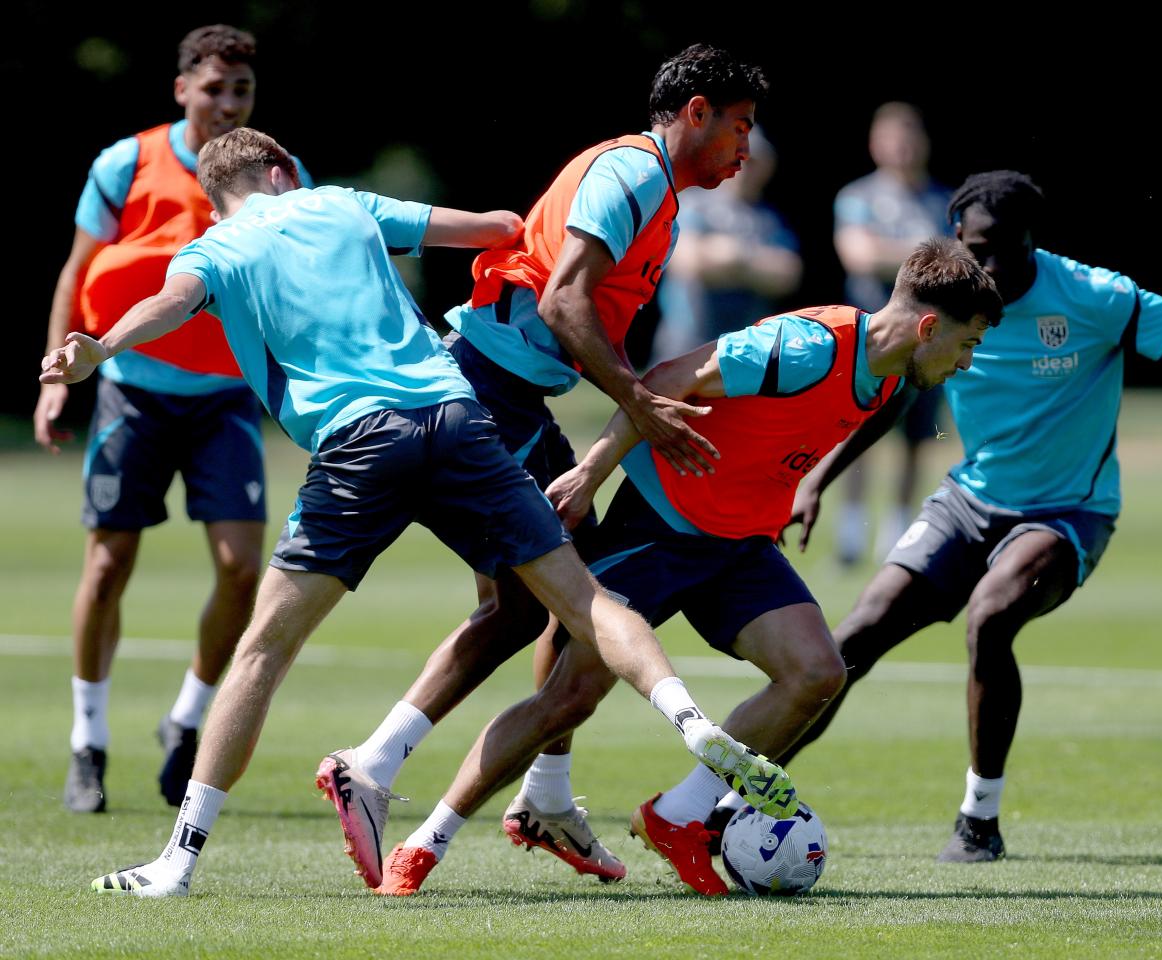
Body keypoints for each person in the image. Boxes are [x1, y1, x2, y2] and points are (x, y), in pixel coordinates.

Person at [42, 128, 792, 898]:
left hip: (357, 444)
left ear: (216, 194)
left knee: (263, 649)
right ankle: (691, 721)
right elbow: (494, 227)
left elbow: (169, 303)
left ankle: (179, 862)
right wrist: (531, 232)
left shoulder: (214, 249)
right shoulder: (340, 203)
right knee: (585, 602)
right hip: (456, 417)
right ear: (280, 170)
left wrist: (99, 347)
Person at [367, 239, 1001, 897]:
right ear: (928, 327)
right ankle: (424, 845)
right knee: (569, 697)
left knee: (816, 673)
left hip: (740, 546)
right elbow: (671, 378)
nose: (967, 361)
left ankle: (678, 817)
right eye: (967, 344)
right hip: (661, 528)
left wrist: (794, 488)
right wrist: (590, 472)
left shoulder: (892, 375)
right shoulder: (809, 347)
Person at [317, 43, 770, 887]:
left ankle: (540, 792)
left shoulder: (660, 191)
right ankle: (377, 767)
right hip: (487, 393)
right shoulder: (633, 175)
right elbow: (563, 299)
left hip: (512, 397)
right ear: (696, 112)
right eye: (738, 126)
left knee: (558, 591)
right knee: (550, 602)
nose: (746, 148)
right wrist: (637, 400)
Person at [783, 170, 1162, 862]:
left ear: (1036, 241)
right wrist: (821, 474)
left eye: (1012, 249)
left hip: (1069, 512)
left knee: (990, 616)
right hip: (969, 500)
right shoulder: (945, 303)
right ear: (957, 241)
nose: (996, 267)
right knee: (852, 637)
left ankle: (979, 819)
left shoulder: (1093, 296)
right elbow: (901, 391)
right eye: (981, 249)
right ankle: (736, 796)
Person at [36, 25, 311, 813]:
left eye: (243, 91)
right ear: (182, 87)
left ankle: (186, 720)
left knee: (238, 569)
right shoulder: (125, 164)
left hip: (226, 396)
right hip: (134, 388)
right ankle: (87, 742)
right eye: (216, 87)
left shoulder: (275, 171)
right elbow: (79, 273)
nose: (229, 103)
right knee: (107, 565)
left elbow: (302, 276)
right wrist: (59, 375)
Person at [832, 102, 954, 565]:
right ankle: (851, 528)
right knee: (857, 430)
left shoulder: (942, 200)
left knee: (917, 437)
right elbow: (859, 255)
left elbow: (961, 261)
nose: (902, 148)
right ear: (875, 144)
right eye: (892, 138)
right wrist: (928, 254)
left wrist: (898, 253)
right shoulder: (857, 197)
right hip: (871, 337)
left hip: (928, 339)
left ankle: (899, 529)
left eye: (910, 137)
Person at [650, 126, 801, 362]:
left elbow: (787, 275)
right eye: (737, 156)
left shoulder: (770, 218)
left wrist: (736, 257)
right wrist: (757, 267)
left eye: (753, 161)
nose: (744, 168)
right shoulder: (692, 202)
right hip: (686, 346)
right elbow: (688, 262)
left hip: (747, 352)